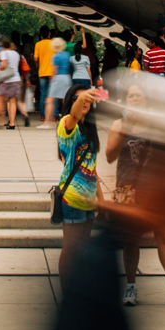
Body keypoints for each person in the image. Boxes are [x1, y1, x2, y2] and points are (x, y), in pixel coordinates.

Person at [107, 84, 165, 309]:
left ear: (147, 100)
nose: (134, 99)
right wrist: (125, 131)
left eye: (139, 96)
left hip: (155, 191)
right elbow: (110, 156)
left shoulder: (158, 125)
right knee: (131, 241)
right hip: (128, 191)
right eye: (131, 96)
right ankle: (130, 286)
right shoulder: (118, 124)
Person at [56, 86, 102, 290]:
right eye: (77, 98)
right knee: (71, 249)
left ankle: (78, 291)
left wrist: (101, 199)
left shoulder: (89, 129)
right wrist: (81, 98)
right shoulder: (66, 124)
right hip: (73, 197)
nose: (83, 102)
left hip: (89, 199)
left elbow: (92, 167)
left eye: (87, 98)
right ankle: (67, 294)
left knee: (83, 249)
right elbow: (73, 115)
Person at [0, 35, 22, 129]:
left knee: (0, 99)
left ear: (2, 45)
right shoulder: (16, 53)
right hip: (16, 79)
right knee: (12, 101)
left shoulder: (4, 53)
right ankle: (12, 123)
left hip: (6, 80)